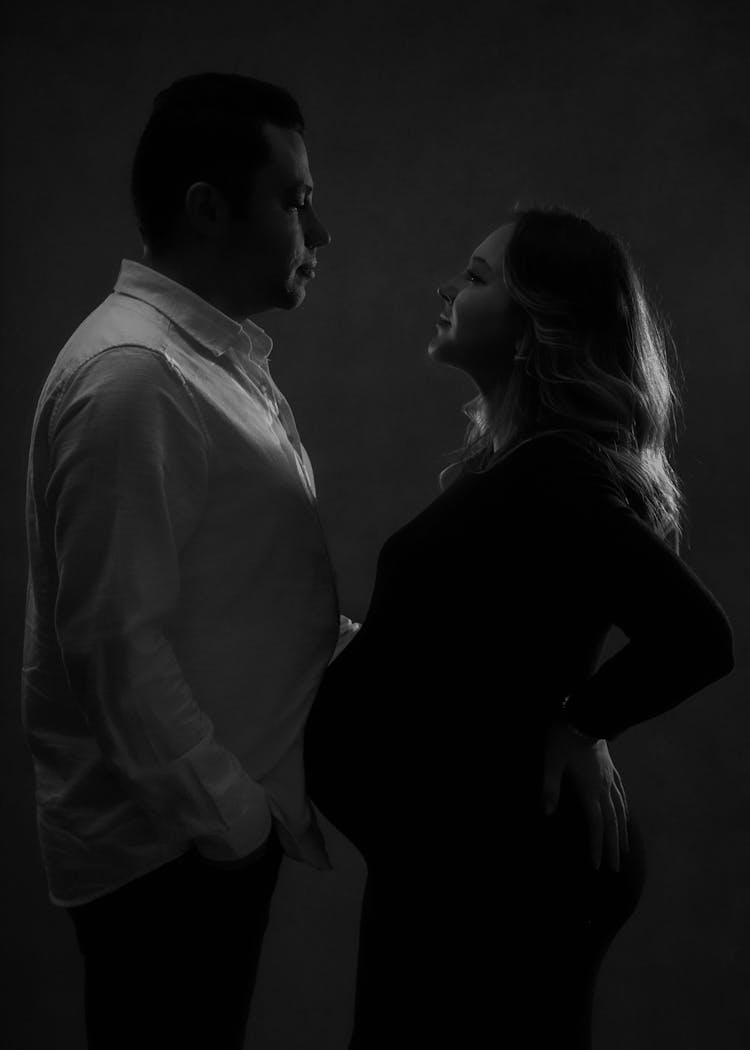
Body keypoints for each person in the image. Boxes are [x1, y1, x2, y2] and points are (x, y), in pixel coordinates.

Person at [304, 206, 735, 1049]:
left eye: (476, 277)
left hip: (495, 875)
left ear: (537, 324)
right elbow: (484, 653)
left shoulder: (555, 473)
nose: (447, 288)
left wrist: (583, 719)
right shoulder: (517, 468)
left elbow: (698, 638)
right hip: (462, 866)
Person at [21, 72, 353, 1050]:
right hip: (166, 856)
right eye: (293, 202)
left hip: (195, 840)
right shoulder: (136, 378)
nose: (318, 233)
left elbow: (247, 592)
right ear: (209, 208)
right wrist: (233, 822)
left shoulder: (207, 364)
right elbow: (114, 643)